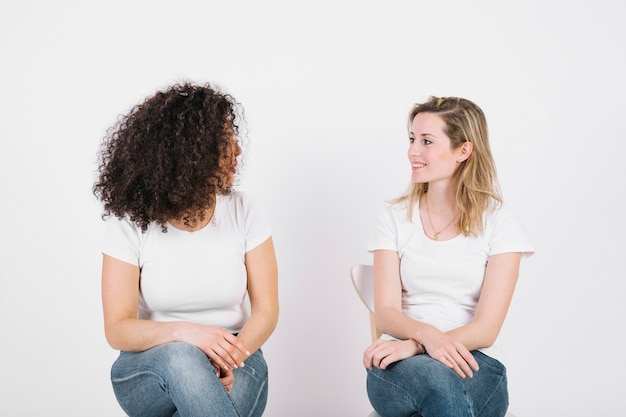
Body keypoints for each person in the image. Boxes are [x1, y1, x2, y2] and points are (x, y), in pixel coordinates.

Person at [93, 81, 279, 417]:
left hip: (240, 353)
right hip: (149, 366)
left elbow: (266, 311)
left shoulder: (244, 210)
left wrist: (226, 356)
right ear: (188, 151)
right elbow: (117, 328)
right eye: (224, 142)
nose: (237, 151)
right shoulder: (130, 222)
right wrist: (189, 336)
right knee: (183, 358)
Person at [362, 96, 534, 417]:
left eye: (427, 141)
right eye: (412, 139)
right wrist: (425, 337)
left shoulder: (500, 222)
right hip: (399, 363)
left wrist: (418, 344)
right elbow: (385, 312)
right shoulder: (395, 218)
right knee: (437, 383)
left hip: (476, 358)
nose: (413, 150)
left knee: (443, 388)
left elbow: (486, 328)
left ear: (463, 151)